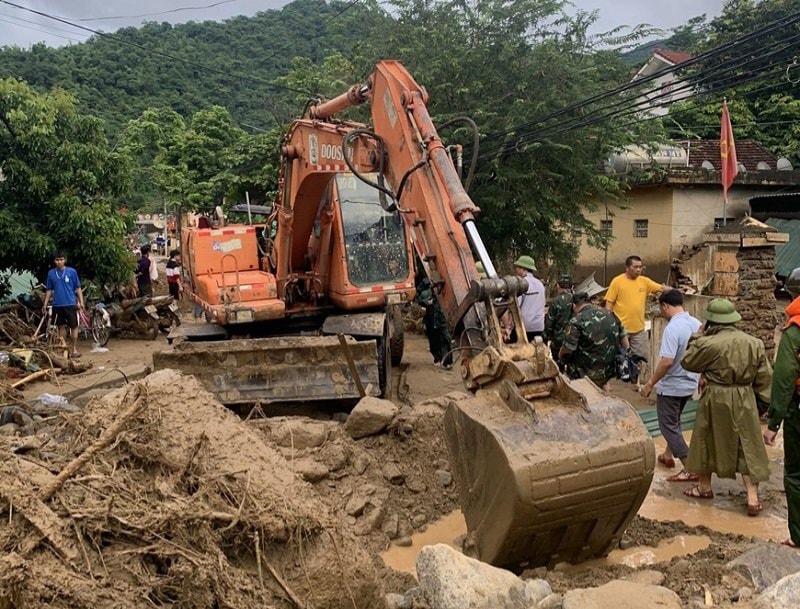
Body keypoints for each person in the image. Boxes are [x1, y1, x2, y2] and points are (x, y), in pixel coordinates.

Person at [680, 298, 772, 517]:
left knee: (705, 439)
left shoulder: (707, 344)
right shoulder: (754, 342)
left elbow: (687, 361)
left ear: (710, 322)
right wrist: (763, 403)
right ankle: (752, 498)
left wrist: (697, 336)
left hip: (715, 396)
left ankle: (704, 488)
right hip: (744, 396)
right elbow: (765, 376)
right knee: (748, 444)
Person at [640, 289, 702, 480]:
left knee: (667, 425)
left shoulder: (672, 328)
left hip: (672, 385)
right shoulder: (696, 324)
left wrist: (650, 383)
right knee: (675, 421)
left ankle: (690, 465)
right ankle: (667, 455)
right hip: (690, 383)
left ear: (665, 306)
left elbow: (667, 361)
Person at [764, 295, 800, 547]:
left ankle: (798, 536)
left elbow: (785, 377)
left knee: (796, 474)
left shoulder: (795, 330)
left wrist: (774, 422)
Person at [604, 255, 670, 361]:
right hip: (620, 330)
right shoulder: (617, 281)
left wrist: (677, 291)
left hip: (638, 330)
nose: (638, 270)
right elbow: (609, 304)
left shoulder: (644, 281)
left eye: (640, 267)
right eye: (635, 267)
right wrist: (609, 324)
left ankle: (637, 378)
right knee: (619, 360)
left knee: (640, 360)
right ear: (627, 267)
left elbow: (661, 288)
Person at [558, 291, 629, 389]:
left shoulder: (576, 321)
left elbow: (568, 348)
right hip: (609, 371)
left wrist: (560, 355)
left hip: (584, 374)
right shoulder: (610, 314)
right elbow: (625, 342)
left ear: (574, 306)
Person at [42, 251, 85, 358]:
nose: (59, 262)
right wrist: (45, 304)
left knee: (74, 326)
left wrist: (81, 301)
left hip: (70, 303)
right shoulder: (51, 273)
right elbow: (49, 290)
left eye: (61, 259)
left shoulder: (72, 272)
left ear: (65, 260)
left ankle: (74, 349)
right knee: (61, 327)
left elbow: (78, 287)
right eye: (57, 260)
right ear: (54, 261)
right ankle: (64, 348)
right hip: (57, 304)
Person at [503, 255, 545, 342]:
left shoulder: (521, 284)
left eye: (517, 267)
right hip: (539, 327)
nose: (516, 270)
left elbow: (514, 306)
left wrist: (508, 326)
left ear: (523, 269)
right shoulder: (540, 284)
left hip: (524, 327)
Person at [415, 277, 453, 368]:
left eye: (440, 286)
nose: (438, 288)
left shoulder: (443, 296)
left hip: (441, 320)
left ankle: (447, 361)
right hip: (431, 320)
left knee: (446, 339)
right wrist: (425, 302)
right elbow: (416, 298)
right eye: (437, 285)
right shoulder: (427, 291)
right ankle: (438, 359)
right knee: (434, 341)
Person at [544, 274, 574, 361]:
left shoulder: (556, 301)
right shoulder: (577, 300)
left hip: (558, 340)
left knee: (558, 364)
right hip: (574, 340)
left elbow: (549, 323)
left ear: (557, 285)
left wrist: (546, 338)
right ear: (572, 286)